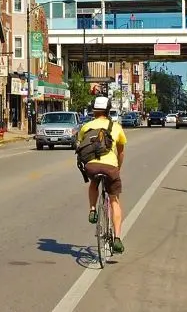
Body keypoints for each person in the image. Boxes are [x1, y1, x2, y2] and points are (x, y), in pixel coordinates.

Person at [77, 95, 128, 254]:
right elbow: (121, 152)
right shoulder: (116, 127)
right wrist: (118, 167)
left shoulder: (86, 127)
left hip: (91, 167)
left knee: (93, 183)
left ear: (93, 110)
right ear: (108, 110)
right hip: (111, 167)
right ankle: (118, 239)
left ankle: (92, 209)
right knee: (114, 200)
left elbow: (81, 146)